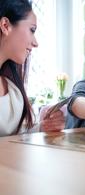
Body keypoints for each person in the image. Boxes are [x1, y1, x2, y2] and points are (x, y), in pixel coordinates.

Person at [0, 0, 64, 136]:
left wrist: (42, 127)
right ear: (5, 26)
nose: (36, 43)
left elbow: (13, 138)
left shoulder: (13, 90)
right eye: (32, 30)